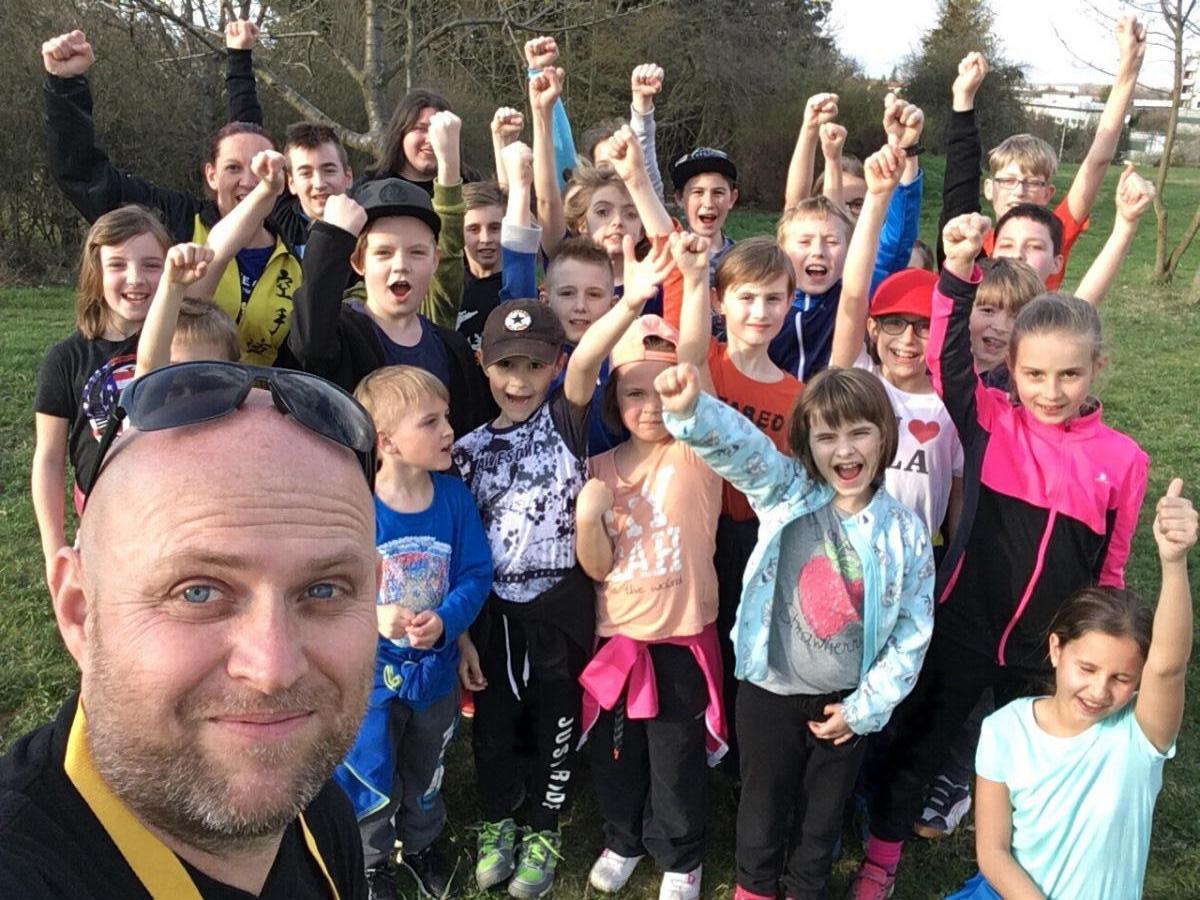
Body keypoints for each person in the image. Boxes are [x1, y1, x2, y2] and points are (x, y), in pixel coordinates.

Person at [852, 213, 1150, 898]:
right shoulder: (990, 420)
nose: (1051, 391)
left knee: (1039, 760)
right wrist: (957, 272)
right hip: (965, 622)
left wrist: (1100, 644)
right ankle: (880, 858)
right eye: (1035, 374)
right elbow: (944, 360)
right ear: (1011, 367)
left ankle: (1022, 863)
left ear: (1097, 369)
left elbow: (1112, 565)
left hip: (1051, 646)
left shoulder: (1125, 460)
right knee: (924, 740)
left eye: (1069, 375)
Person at [2, 361, 382, 898]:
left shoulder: (319, 810)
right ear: (81, 611)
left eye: (324, 590)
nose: (273, 669)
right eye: (197, 592)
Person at [656, 361, 934, 900]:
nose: (844, 451)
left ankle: (806, 888)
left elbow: (912, 632)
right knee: (761, 805)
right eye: (827, 437)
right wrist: (693, 411)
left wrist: (864, 709)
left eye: (859, 433)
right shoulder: (786, 491)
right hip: (770, 693)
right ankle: (755, 888)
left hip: (845, 705)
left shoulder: (906, 533)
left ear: (885, 436)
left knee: (822, 819)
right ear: (807, 444)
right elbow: (743, 449)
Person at [454, 238, 673, 900]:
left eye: (534, 365)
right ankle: (498, 820)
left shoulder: (565, 421)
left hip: (559, 609)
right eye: (506, 365)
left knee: (557, 723)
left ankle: (544, 826)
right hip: (496, 615)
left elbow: (587, 361)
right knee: (494, 730)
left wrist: (631, 303)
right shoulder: (466, 451)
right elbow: (461, 545)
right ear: (484, 365)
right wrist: (462, 635)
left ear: (555, 367)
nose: (520, 380)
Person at [950, 480, 1197, 900]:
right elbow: (993, 852)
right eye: (1087, 668)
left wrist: (1174, 564)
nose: (1099, 690)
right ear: (1056, 649)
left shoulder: (1139, 738)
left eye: (1122, 678)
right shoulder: (1003, 729)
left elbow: (1169, 667)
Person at [41, 29, 303, 365]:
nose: (249, 181)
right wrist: (66, 86)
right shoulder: (175, 220)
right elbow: (87, 178)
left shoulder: (296, 240)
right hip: (177, 390)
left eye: (259, 167)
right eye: (232, 168)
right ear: (210, 174)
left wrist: (240, 57)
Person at [575, 315, 725, 900]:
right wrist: (589, 518)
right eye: (635, 393)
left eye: (663, 389)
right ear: (615, 400)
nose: (651, 405)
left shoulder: (696, 455)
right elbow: (596, 567)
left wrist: (691, 276)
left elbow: (696, 361)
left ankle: (681, 855)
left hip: (679, 640)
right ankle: (623, 838)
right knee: (617, 755)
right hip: (618, 641)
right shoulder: (597, 469)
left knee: (676, 758)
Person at [335, 366, 493, 900]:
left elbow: (476, 574)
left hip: (436, 675)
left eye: (446, 417)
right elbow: (331, 588)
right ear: (387, 442)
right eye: (431, 422)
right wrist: (372, 613)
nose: (449, 430)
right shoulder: (356, 508)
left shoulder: (454, 499)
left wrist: (449, 624)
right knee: (370, 764)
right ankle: (371, 860)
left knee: (427, 764)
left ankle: (422, 842)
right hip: (371, 679)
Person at [671, 231, 802, 769]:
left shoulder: (795, 395)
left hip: (753, 538)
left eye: (773, 298)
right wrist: (693, 276)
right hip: (696, 528)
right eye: (746, 297)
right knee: (696, 638)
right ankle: (695, 740)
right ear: (721, 302)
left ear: (790, 303)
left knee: (742, 639)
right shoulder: (710, 361)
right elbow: (688, 356)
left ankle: (738, 751)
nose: (760, 311)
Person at [935, 14, 1147, 286]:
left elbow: (1097, 161)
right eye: (1008, 180)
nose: (1019, 191)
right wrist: (963, 98)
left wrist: (1128, 69)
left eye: (1033, 182)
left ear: (1048, 193)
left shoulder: (1051, 236)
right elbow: (959, 188)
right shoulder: (970, 241)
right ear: (989, 188)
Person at [829, 143, 964, 544]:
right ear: (872, 328)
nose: (907, 339)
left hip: (917, 560)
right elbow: (853, 295)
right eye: (894, 323)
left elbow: (957, 493)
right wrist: (876, 198)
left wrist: (956, 561)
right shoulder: (858, 378)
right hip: (847, 551)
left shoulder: (952, 403)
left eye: (923, 327)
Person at [286, 177, 488, 437]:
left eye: (417, 252)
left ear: (435, 260)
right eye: (383, 253)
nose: (401, 265)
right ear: (358, 262)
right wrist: (332, 236)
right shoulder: (341, 337)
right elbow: (310, 342)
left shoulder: (453, 349)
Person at [32, 205, 169, 583]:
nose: (136, 278)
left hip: (169, 511)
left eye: (152, 265)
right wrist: (54, 550)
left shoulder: (182, 342)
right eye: (117, 265)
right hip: (101, 518)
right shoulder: (65, 359)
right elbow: (49, 459)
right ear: (96, 273)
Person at [772, 96, 925, 382]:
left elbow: (896, 240)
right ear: (782, 248)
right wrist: (809, 130)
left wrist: (906, 150)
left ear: (847, 249)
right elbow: (794, 205)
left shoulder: (852, 289)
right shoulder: (767, 295)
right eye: (804, 242)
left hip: (829, 407)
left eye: (831, 243)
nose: (818, 251)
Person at [134, 149, 289, 378]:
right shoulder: (154, 398)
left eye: (208, 374)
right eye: (175, 368)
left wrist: (268, 188)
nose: (190, 381)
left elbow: (219, 248)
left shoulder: (239, 401)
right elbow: (219, 248)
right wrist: (172, 286)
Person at [670, 147, 739, 283]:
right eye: (697, 192)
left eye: (718, 193)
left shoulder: (744, 260)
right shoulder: (669, 258)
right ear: (679, 197)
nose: (708, 203)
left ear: (732, 198)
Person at [459, 181, 507, 353]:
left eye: (495, 228)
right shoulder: (448, 291)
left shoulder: (517, 289)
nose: (486, 239)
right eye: (474, 229)